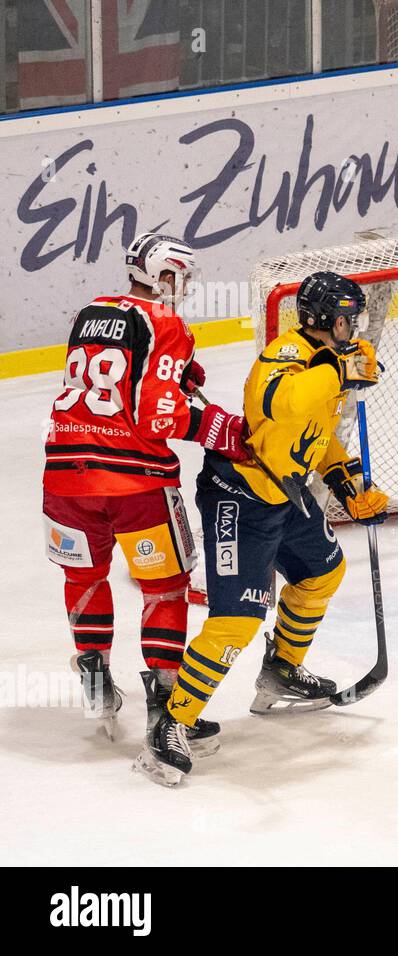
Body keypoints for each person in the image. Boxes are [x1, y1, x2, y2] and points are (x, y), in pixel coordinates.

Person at [133, 271, 388, 786]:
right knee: (237, 621)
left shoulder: (325, 362)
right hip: (240, 497)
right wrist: (342, 370)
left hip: (283, 494)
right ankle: (172, 724)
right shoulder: (284, 357)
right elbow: (284, 404)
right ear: (321, 320)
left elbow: (315, 435)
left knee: (324, 572)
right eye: (346, 319)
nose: (352, 327)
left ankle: (281, 672)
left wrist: (348, 486)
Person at [42, 232, 248, 747]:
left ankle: (95, 685)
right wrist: (222, 428)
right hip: (135, 484)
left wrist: (172, 373)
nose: (186, 286)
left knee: (85, 578)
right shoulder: (165, 322)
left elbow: (113, 380)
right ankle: (166, 708)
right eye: (182, 276)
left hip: (64, 477)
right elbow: (159, 416)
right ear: (164, 276)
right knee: (164, 588)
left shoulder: (90, 311)